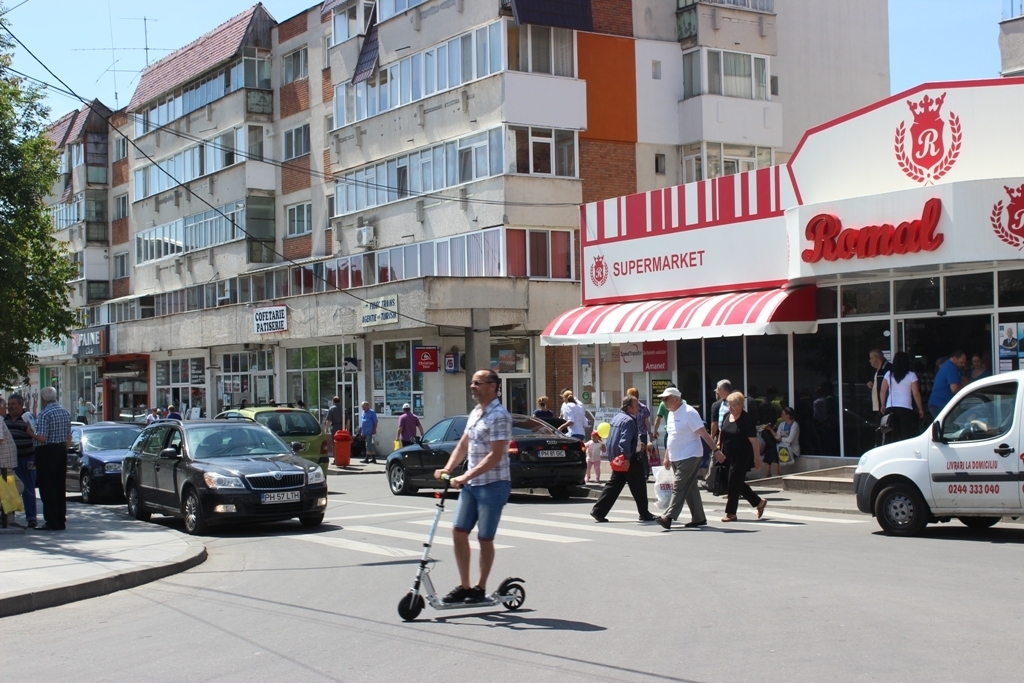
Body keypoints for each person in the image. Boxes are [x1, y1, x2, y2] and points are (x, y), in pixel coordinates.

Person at [433, 369, 512, 604]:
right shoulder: (476, 412)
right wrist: (448, 468)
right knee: (458, 532)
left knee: (485, 538)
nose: (472, 386)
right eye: (472, 382)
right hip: (472, 484)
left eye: (477, 383)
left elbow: (495, 456)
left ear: (492, 386)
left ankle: (480, 587)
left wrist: (465, 476)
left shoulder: (500, 416)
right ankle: (465, 586)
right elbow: (463, 445)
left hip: (493, 484)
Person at [655, 387, 720, 530]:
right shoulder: (671, 414)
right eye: (663, 399)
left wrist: (716, 451)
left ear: (676, 399)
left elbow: (704, 434)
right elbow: (671, 436)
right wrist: (667, 456)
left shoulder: (689, 412)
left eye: (666, 398)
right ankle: (699, 518)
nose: (664, 401)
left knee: (679, 486)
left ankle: (668, 516)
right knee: (690, 487)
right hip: (675, 456)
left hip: (690, 455)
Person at [590, 396, 657, 523]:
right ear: (629, 408)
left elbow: (613, 439)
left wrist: (638, 445)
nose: (638, 408)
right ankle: (644, 513)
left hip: (618, 458)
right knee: (639, 484)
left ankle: (598, 511)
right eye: (636, 406)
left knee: (614, 485)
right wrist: (626, 458)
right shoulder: (629, 420)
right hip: (629, 458)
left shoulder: (617, 418)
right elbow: (624, 441)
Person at [715, 391, 767, 523]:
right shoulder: (727, 416)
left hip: (741, 456)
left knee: (733, 483)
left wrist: (757, 459)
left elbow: (754, 441)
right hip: (727, 455)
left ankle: (731, 513)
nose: (730, 408)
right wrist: (718, 447)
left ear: (740, 405)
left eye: (733, 405)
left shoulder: (746, 419)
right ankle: (758, 502)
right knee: (735, 482)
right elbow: (722, 432)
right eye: (729, 405)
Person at [29, 386, 71, 531]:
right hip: (61, 450)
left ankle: (51, 521)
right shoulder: (65, 412)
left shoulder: (44, 414)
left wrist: (30, 433)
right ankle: (60, 519)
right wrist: (64, 450)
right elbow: (69, 436)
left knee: (47, 487)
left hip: (47, 451)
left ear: (43, 399)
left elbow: (42, 438)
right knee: (60, 486)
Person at [5, 394, 37, 528]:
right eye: (9, 404)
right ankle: (9, 518)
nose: (10, 407)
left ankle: (32, 519)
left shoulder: (27, 418)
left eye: (13, 404)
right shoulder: (4, 419)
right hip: (10, 462)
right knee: (9, 491)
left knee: (28, 489)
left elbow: (36, 436)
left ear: (21, 404)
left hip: (27, 459)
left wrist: (35, 460)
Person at [879, 351, 925, 443]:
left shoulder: (889, 374)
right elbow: (916, 394)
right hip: (906, 407)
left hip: (891, 407)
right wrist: (920, 408)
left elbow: (883, 391)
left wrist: (883, 404)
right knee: (906, 434)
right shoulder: (911, 375)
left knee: (893, 434)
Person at [928, 350, 967, 418]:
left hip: (936, 403)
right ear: (954, 359)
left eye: (964, 363)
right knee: (949, 424)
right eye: (961, 362)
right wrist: (965, 388)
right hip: (941, 404)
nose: (963, 365)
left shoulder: (947, 365)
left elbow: (963, 379)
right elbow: (954, 389)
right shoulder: (952, 368)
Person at [0, 398, 19, 526]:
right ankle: (7, 519)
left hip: (7, 464)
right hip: (4, 465)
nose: (6, 409)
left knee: (10, 490)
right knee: (15, 488)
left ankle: (9, 519)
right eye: (4, 406)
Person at [866, 350, 892, 418]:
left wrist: (884, 404)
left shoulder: (888, 369)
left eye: (871, 358)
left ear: (878, 358)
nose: (870, 361)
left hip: (885, 407)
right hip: (877, 407)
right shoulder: (875, 371)